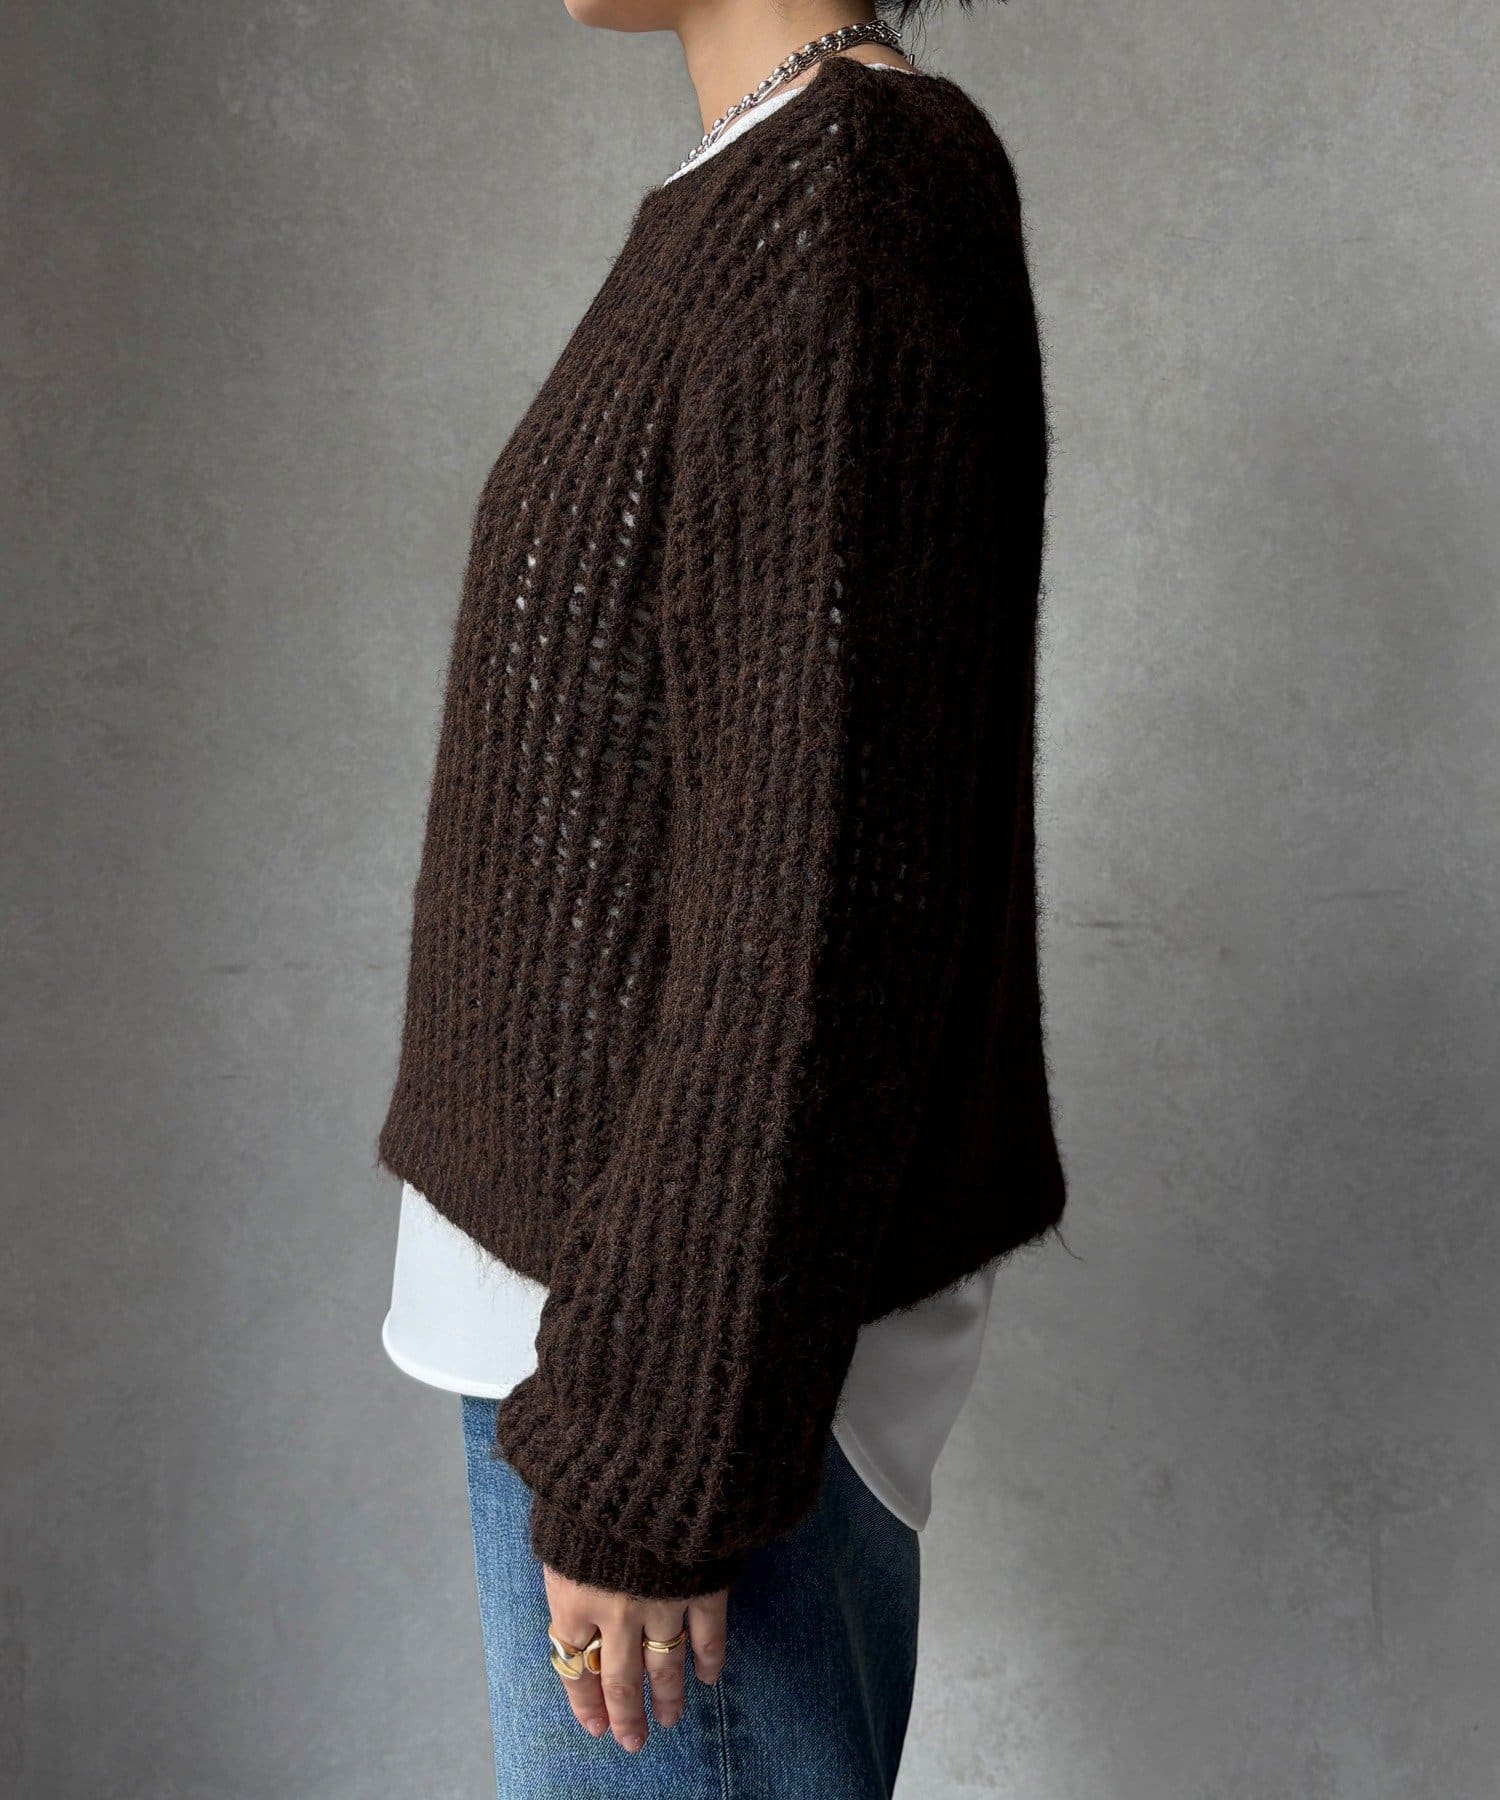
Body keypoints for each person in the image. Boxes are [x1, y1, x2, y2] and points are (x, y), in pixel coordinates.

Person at [375, 2, 1067, 1792]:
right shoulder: (765, 181)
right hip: (609, 1335)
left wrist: (662, 1458)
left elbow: (815, 888)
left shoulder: (849, 191)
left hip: (670, 1369)